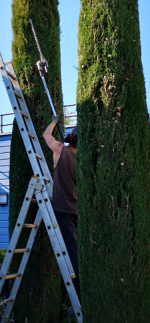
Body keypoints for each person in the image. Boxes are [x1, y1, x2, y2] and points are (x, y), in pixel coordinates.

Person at [42, 117, 81, 314]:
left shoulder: (60, 149)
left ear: (69, 138)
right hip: (76, 211)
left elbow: (46, 135)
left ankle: (79, 300)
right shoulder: (80, 160)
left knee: (72, 254)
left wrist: (53, 121)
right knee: (77, 251)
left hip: (61, 209)